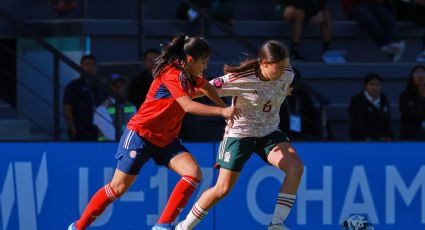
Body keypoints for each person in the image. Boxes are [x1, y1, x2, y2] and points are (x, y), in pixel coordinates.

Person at [68, 34, 240, 230]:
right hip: (141, 135)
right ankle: (78, 227)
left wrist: (222, 107)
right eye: (204, 62)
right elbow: (187, 106)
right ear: (190, 59)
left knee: (193, 175)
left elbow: (207, 86)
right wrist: (222, 111)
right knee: (118, 188)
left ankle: (162, 226)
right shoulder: (172, 73)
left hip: (166, 139)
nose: (206, 66)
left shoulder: (191, 72)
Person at [176, 40, 304, 230]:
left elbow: (282, 87)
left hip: (269, 133)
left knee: (295, 168)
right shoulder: (240, 79)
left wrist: (286, 90)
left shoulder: (287, 74)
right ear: (264, 63)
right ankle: (184, 227)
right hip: (240, 134)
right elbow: (200, 90)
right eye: (279, 68)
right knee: (222, 189)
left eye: (286, 66)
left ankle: (276, 224)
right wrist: (173, 93)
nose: (283, 72)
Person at [64, 55, 106, 141]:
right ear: (81, 67)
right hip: (80, 131)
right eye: (86, 65)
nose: (90, 67)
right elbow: (67, 109)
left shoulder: (101, 86)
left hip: (99, 131)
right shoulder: (73, 86)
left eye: (92, 65)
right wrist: (73, 130)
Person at [348, 73, 394, 141]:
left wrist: (389, 137)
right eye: (372, 84)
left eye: (377, 84)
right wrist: (375, 137)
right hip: (362, 141)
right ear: (365, 86)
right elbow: (358, 124)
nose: (375, 87)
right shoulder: (357, 101)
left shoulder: (384, 100)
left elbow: (387, 122)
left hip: (382, 141)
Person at [94, 73, 137, 141]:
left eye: (121, 85)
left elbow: (135, 129)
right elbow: (108, 133)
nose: (118, 88)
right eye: (114, 85)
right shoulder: (101, 109)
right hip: (106, 147)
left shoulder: (132, 106)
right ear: (108, 87)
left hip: (127, 147)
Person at [399, 65, 425, 140]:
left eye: (423, 73)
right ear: (412, 77)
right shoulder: (405, 95)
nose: (420, 76)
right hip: (410, 133)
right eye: (417, 73)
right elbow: (407, 113)